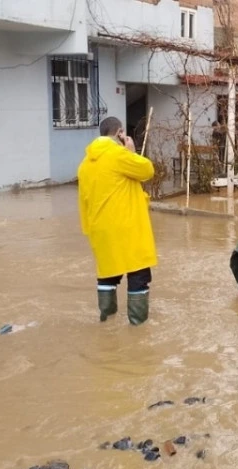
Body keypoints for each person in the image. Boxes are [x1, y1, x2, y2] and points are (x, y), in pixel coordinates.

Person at [78, 116, 158, 325]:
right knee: (139, 275)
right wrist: (130, 151)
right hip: (127, 227)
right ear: (120, 133)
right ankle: (138, 328)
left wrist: (89, 230)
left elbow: (83, 201)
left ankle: (106, 321)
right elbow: (147, 170)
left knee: (107, 276)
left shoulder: (85, 164)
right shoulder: (118, 155)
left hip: (99, 229)